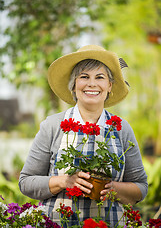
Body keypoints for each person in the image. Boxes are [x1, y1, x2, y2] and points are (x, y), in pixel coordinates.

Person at [19, 45, 148, 227]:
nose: (92, 84)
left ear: (109, 86)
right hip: (58, 223)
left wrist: (114, 189)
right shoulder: (53, 126)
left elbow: (141, 187)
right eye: (84, 77)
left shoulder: (121, 129)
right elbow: (26, 182)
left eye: (100, 77)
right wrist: (65, 181)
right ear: (73, 85)